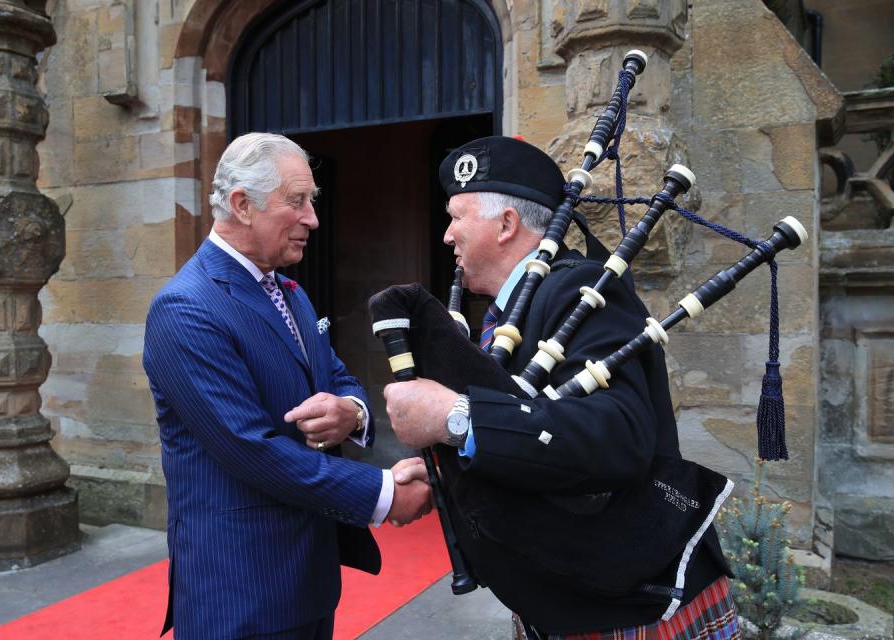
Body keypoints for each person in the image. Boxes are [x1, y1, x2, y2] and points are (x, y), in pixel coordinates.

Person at [383, 136, 740, 639]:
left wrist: (457, 416)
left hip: (629, 602)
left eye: (456, 217)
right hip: (566, 592)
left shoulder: (583, 290)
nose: (446, 236)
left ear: (506, 225)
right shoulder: (513, 310)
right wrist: (445, 459)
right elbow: (526, 427)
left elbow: (619, 435)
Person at [143, 132, 432, 640]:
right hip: (241, 590)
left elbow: (339, 377)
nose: (312, 219)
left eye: (311, 202)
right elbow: (250, 449)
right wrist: (384, 494)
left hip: (308, 578)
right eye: (296, 201)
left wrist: (351, 410)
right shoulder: (185, 309)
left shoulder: (288, 290)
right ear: (241, 205)